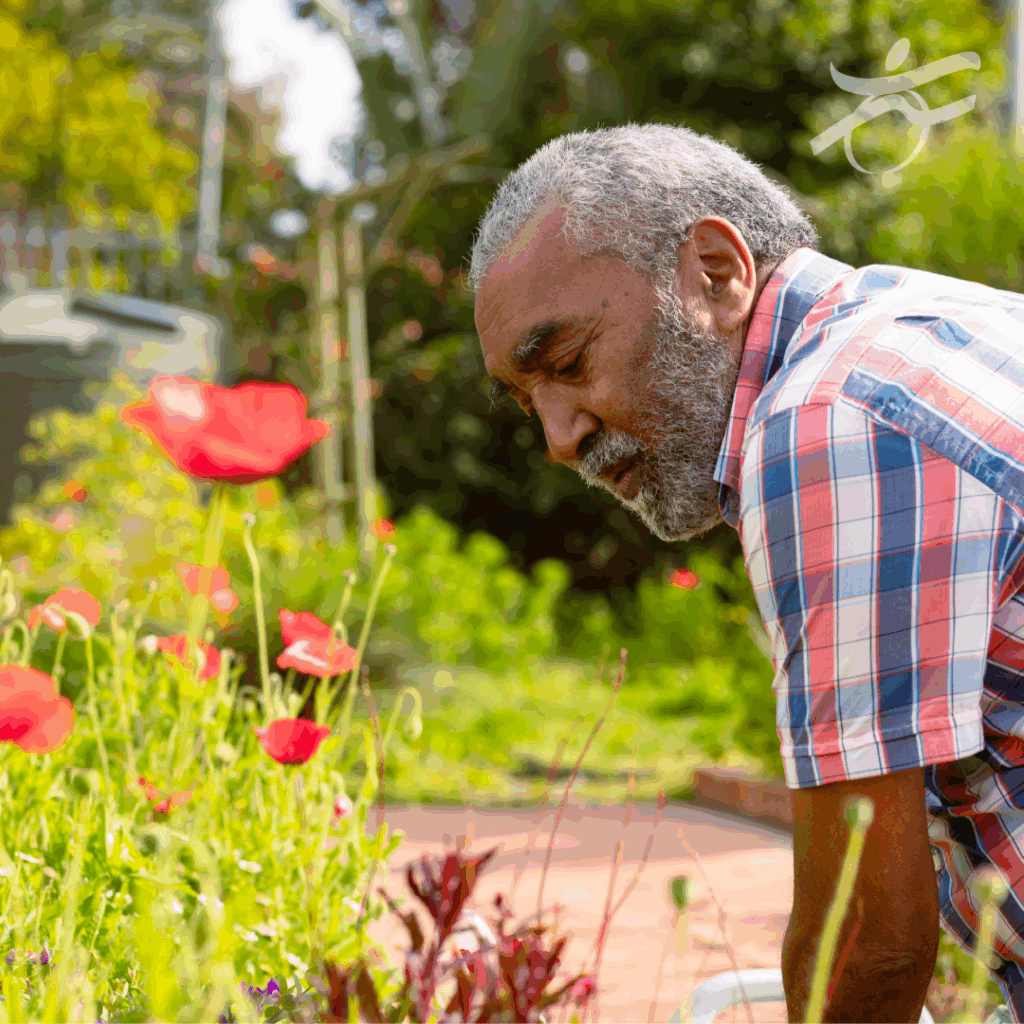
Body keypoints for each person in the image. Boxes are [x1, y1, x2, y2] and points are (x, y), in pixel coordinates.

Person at [469, 122, 1024, 1024]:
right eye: (533, 401)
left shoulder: (828, 422)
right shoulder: (924, 319)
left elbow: (868, 940)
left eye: (568, 364)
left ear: (716, 271)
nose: (558, 439)